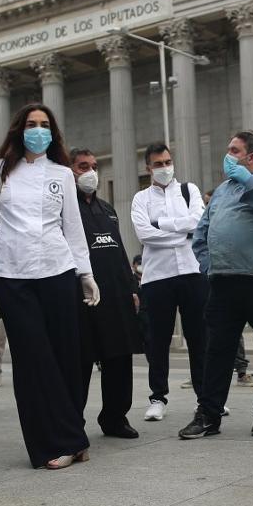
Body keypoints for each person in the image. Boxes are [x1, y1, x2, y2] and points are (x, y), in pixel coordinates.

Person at [0, 103, 99, 470]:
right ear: (19, 129)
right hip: (12, 276)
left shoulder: (62, 172)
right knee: (32, 362)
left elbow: (72, 228)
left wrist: (85, 273)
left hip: (58, 270)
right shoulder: (1, 171)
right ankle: (50, 443)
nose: (38, 130)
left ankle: (73, 438)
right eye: (32, 124)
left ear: (53, 132)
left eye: (45, 125)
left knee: (65, 357)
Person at [180, 130, 253, 439]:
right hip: (224, 282)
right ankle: (208, 414)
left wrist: (248, 181)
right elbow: (202, 232)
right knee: (217, 350)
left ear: (250, 157)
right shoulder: (224, 190)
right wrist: (208, 266)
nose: (227, 156)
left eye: (233, 150)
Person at [69, 147, 144, 439]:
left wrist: (131, 287)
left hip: (115, 296)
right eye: (82, 166)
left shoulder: (108, 210)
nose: (89, 172)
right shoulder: (67, 209)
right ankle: (73, 421)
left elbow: (120, 251)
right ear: (70, 170)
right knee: (81, 362)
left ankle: (115, 418)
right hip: (82, 297)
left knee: (119, 358)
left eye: (93, 166)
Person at [130, 142, 207, 421]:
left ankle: (206, 397)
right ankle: (158, 397)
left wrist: (161, 223)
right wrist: (181, 231)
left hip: (191, 270)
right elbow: (144, 234)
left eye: (167, 162)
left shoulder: (189, 190)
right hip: (157, 276)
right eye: (158, 164)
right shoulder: (141, 199)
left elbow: (198, 222)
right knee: (157, 339)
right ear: (148, 167)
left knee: (199, 337)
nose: (165, 168)